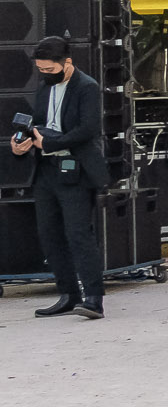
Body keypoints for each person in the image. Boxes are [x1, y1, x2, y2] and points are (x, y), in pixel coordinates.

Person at [13, 37, 109, 319]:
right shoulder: (45, 87)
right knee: (50, 234)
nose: (45, 74)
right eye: (40, 70)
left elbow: (87, 130)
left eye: (49, 69)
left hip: (75, 168)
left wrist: (50, 144)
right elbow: (39, 122)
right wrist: (22, 142)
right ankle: (68, 293)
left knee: (79, 233)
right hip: (46, 170)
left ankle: (93, 297)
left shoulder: (86, 87)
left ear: (67, 62)